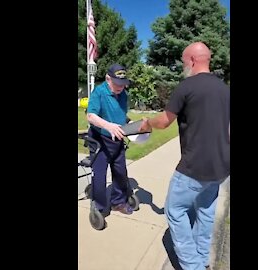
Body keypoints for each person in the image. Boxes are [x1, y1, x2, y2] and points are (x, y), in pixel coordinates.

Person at [139, 42, 230, 270]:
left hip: (194, 167)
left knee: (175, 210)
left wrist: (146, 123)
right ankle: (202, 260)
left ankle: (192, 266)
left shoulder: (187, 86)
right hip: (220, 167)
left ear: (191, 60)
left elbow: (164, 120)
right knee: (205, 211)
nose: (182, 66)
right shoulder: (224, 89)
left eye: (182, 61)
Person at [86, 63, 134, 215]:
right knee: (99, 175)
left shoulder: (123, 95)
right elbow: (91, 116)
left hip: (117, 139)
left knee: (120, 172)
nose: (121, 87)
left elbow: (120, 114)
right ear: (108, 79)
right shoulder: (99, 92)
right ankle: (99, 207)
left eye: (123, 84)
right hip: (100, 139)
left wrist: (130, 124)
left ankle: (118, 202)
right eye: (117, 83)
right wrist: (108, 126)